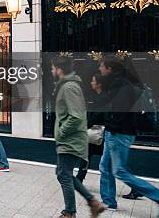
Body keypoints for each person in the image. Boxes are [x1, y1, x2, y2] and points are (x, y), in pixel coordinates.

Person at [98, 55, 159, 215]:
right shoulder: (117, 83)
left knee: (119, 171)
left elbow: (119, 113)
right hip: (114, 132)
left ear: (109, 69)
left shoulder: (122, 86)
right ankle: (109, 201)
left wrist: (110, 124)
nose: (99, 69)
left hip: (119, 133)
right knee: (105, 166)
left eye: (101, 66)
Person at [51, 56, 105, 218]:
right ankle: (92, 203)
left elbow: (76, 117)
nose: (52, 71)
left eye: (53, 68)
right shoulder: (67, 85)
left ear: (59, 69)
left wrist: (61, 133)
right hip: (71, 139)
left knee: (63, 174)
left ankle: (70, 212)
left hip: (71, 140)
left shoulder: (69, 87)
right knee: (63, 173)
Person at [76, 73, 107, 183]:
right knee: (86, 154)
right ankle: (79, 178)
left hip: (101, 133)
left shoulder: (103, 98)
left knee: (117, 164)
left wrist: (86, 125)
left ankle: (135, 187)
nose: (91, 82)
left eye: (93, 81)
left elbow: (98, 116)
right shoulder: (97, 96)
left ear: (99, 84)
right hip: (95, 133)